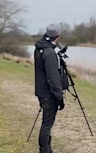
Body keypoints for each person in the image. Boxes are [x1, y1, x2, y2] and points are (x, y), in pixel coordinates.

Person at [34, 23, 65, 153]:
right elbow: (53, 79)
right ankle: (44, 149)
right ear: (58, 35)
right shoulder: (49, 53)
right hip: (48, 94)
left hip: (41, 91)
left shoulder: (40, 48)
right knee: (47, 123)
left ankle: (47, 148)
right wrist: (60, 97)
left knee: (47, 122)